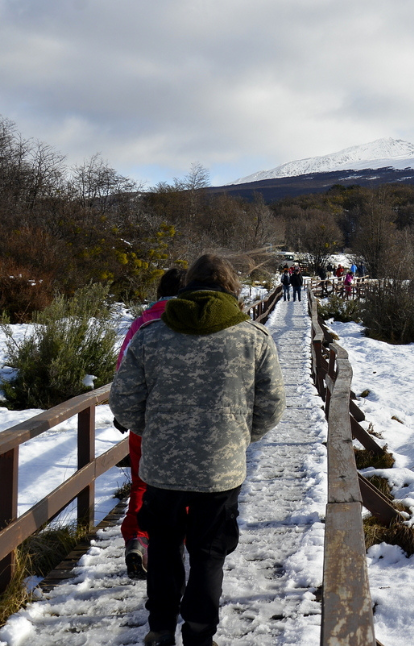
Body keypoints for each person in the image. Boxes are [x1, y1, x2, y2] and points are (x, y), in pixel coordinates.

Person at [112, 254, 285, 646]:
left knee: (165, 545)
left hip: (161, 469)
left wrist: (154, 433)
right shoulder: (253, 338)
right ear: (232, 288)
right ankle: (199, 634)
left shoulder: (150, 334)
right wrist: (239, 438)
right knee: (208, 553)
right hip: (221, 470)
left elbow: (123, 400)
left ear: (186, 286)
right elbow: (273, 405)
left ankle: (159, 630)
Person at [116, 267, 187, 581]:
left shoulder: (141, 323)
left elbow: (123, 371)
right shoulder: (195, 322)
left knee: (143, 482)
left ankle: (139, 538)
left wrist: (126, 412)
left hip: (145, 421)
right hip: (186, 419)